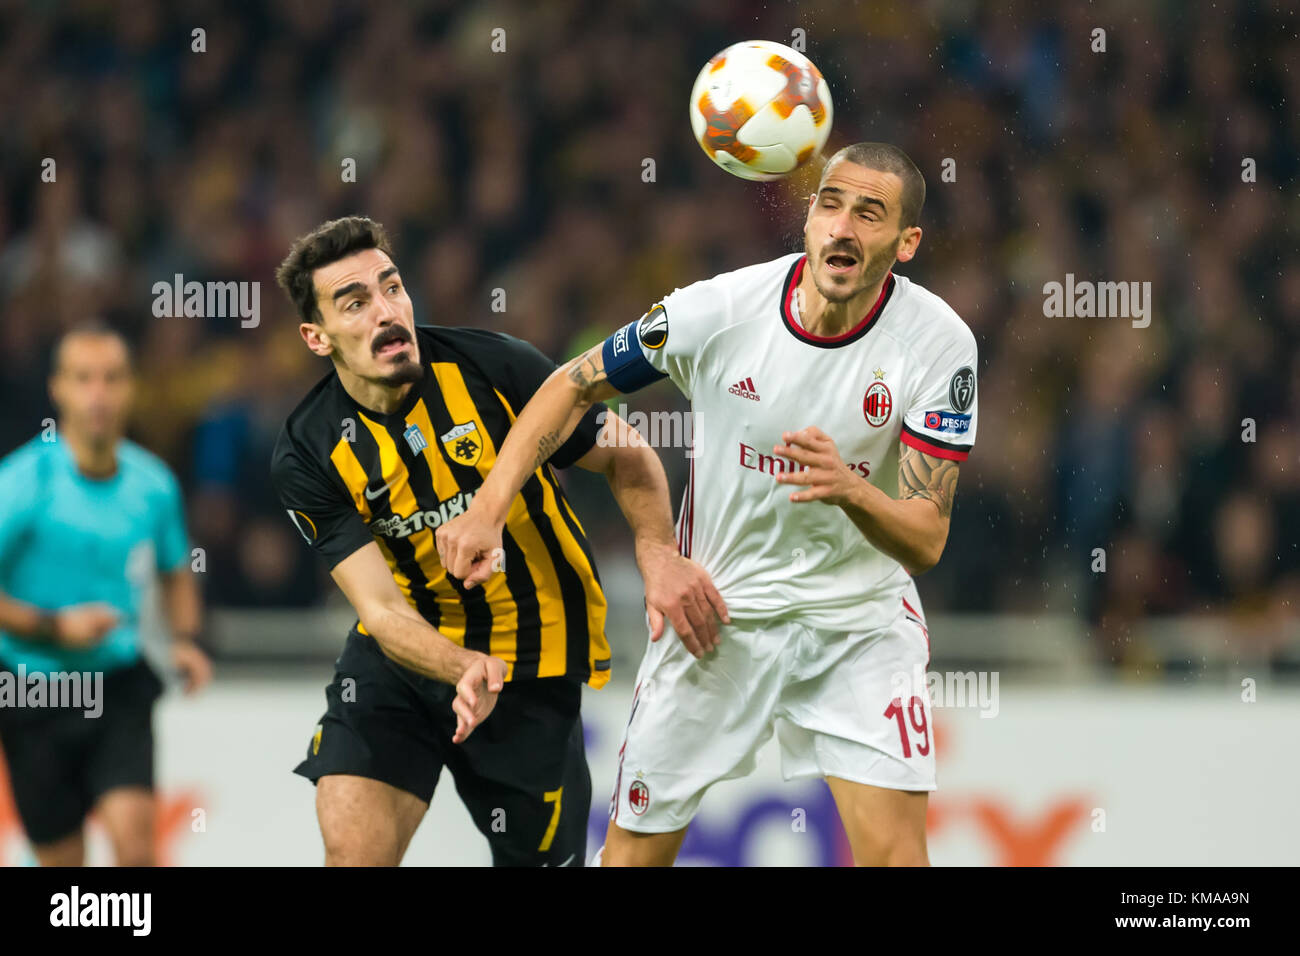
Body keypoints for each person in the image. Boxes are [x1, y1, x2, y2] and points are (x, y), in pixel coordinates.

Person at [436, 143, 978, 866]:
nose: (843, 227)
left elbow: (926, 538)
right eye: (830, 204)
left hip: (858, 625)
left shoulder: (937, 344)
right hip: (716, 618)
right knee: (632, 858)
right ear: (809, 217)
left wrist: (850, 488)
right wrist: (488, 507)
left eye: (869, 214)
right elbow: (573, 383)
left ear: (906, 243)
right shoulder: (720, 310)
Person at [270, 216, 722, 866]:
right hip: (405, 664)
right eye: (355, 301)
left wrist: (655, 552)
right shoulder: (309, 451)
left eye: (392, 287)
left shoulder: (493, 367)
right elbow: (381, 611)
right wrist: (461, 667)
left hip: (536, 665)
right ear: (317, 337)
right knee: (352, 851)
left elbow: (628, 456)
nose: (386, 311)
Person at [0, 323, 211, 866]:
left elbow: (175, 569)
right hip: (33, 694)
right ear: (57, 389)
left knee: (136, 848)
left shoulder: (154, 485)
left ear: (131, 388)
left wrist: (184, 639)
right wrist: (54, 626)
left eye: (112, 378)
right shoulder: (22, 481)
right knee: (64, 870)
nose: (98, 394)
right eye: (83, 378)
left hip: (117, 684)